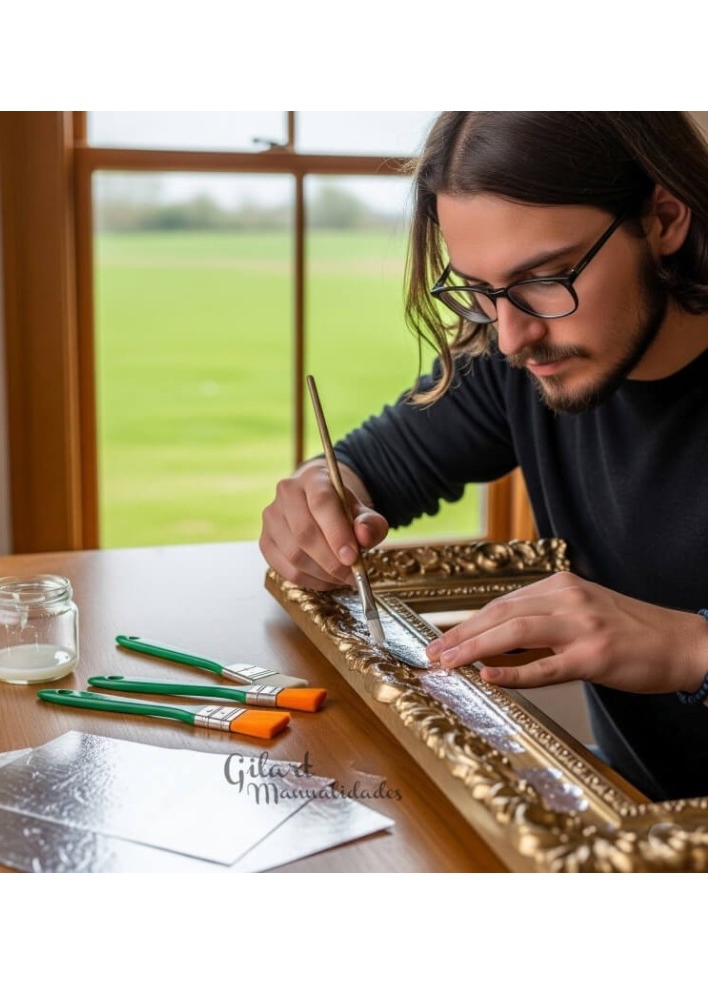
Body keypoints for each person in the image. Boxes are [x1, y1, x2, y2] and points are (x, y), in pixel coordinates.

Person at [259, 112, 708, 802]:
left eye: (547, 277)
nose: (510, 336)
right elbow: (374, 466)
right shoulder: (526, 361)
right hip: (626, 817)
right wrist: (323, 490)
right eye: (480, 290)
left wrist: (689, 649)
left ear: (664, 219)